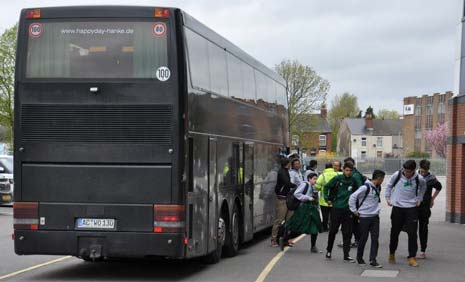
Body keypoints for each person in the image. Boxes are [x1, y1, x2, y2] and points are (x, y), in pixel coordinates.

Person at [385, 160, 426, 267]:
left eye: (409, 171)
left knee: (412, 234)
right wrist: (388, 198)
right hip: (397, 207)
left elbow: (423, 188)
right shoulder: (397, 175)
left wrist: (419, 199)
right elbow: (389, 186)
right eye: (405, 171)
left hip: (412, 208)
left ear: (413, 170)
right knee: (395, 232)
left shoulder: (419, 178)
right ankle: (392, 253)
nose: (407, 173)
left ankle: (412, 257)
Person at [324, 161, 362, 262]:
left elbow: (360, 191)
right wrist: (327, 198)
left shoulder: (354, 180)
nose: (348, 172)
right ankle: (329, 250)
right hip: (336, 208)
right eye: (346, 170)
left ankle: (346, 255)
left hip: (348, 210)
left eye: (350, 170)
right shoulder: (338, 178)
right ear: (343, 170)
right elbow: (326, 187)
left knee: (347, 233)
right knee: (333, 231)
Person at [349, 169, 385, 268]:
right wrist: (354, 210)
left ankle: (373, 259)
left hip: (375, 217)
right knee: (363, 239)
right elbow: (352, 197)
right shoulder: (365, 187)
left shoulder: (378, 187)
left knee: (375, 239)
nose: (383, 181)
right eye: (382, 179)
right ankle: (359, 258)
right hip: (364, 217)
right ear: (379, 178)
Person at [282, 173, 322, 253]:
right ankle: (285, 239)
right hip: (304, 209)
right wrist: (308, 198)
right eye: (314, 178)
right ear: (309, 179)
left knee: (314, 227)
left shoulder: (311, 186)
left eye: (316, 179)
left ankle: (313, 246)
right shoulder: (305, 184)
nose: (315, 180)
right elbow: (297, 194)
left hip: (311, 209)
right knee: (299, 227)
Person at [417, 159, 442, 259]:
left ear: (428, 170)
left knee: (423, 228)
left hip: (425, 206)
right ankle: (412, 250)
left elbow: (439, 187)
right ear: (419, 168)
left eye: (425, 172)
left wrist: (432, 199)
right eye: (422, 171)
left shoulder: (432, 178)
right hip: (413, 206)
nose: (423, 173)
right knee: (411, 228)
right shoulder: (414, 176)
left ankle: (423, 251)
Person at [271, 158, 296, 247]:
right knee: (279, 220)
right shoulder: (282, 172)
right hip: (282, 199)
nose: (290, 165)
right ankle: (274, 239)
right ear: (287, 164)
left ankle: (286, 238)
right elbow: (287, 183)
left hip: (287, 198)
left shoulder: (285, 171)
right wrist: (296, 185)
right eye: (289, 163)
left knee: (289, 220)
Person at [344, 157, 365, 248]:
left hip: (355, 203)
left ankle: (357, 241)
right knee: (352, 223)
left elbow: (360, 190)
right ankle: (354, 240)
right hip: (352, 202)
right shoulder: (353, 174)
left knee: (354, 223)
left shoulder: (355, 175)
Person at [315, 162, 340, 232]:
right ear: (332, 167)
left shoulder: (322, 175)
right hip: (335, 199)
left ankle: (325, 227)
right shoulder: (337, 174)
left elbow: (317, 186)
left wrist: (321, 188)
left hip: (324, 200)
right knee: (333, 215)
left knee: (325, 215)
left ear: (325, 168)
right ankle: (333, 227)